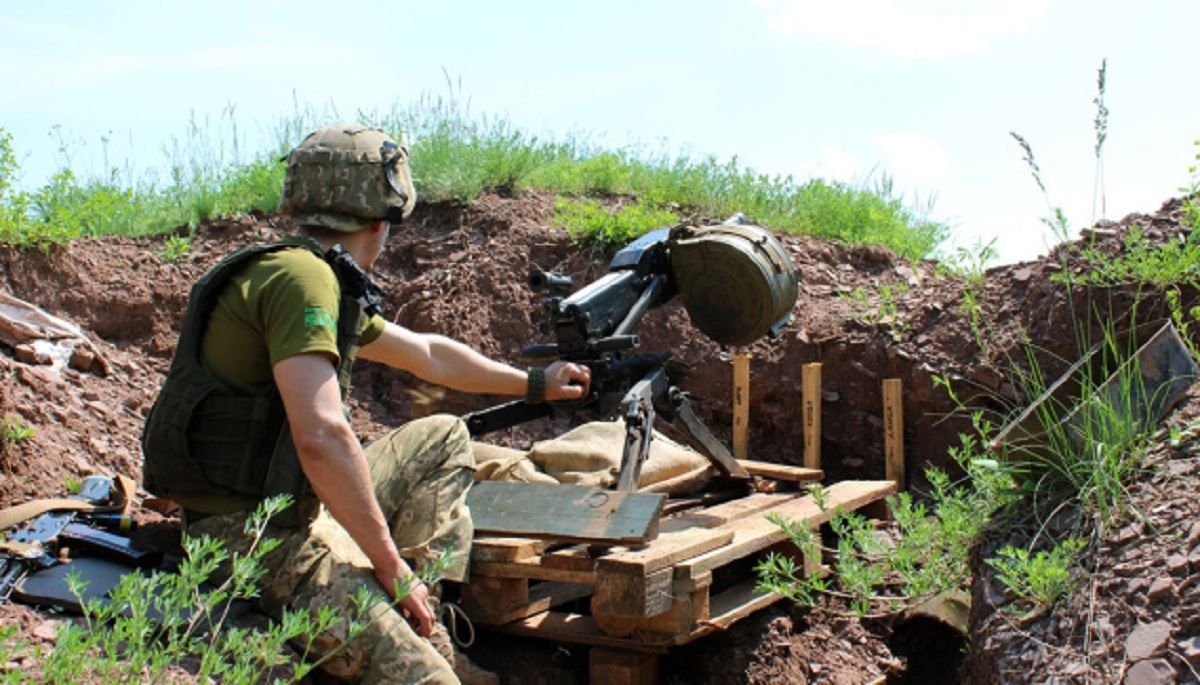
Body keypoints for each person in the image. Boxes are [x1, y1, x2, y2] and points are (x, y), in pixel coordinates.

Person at [141, 123, 590, 684]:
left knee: (444, 435)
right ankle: (415, 622)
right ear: (379, 222)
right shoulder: (304, 281)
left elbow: (428, 356)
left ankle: (426, 618)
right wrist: (389, 564)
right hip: (251, 540)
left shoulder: (307, 272)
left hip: (287, 507)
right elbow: (323, 435)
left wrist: (535, 384)